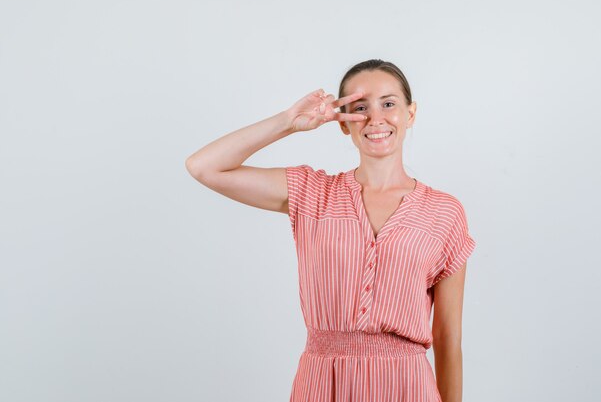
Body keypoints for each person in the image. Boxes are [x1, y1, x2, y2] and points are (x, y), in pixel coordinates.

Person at [185, 59, 476, 402]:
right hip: (323, 383)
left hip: (408, 386)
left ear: (410, 114)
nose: (375, 118)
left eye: (388, 103)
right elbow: (204, 167)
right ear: (342, 123)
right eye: (360, 107)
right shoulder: (313, 193)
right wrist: (288, 122)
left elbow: (447, 337)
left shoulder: (444, 212)